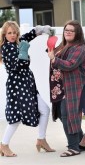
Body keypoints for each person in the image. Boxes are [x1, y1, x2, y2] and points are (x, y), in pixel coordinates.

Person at [0, 21, 55, 157]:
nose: (13, 35)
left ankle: (41, 139)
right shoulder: (6, 48)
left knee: (44, 109)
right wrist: (23, 52)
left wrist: (43, 30)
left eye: (15, 32)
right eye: (9, 33)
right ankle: (4, 144)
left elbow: (31, 34)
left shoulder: (19, 41)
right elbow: (17, 66)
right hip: (17, 85)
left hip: (27, 83)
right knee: (16, 116)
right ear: (4, 35)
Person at [47, 20, 85, 157]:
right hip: (59, 86)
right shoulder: (64, 45)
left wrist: (54, 59)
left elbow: (70, 64)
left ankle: (74, 147)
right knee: (60, 113)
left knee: (69, 115)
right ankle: (80, 140)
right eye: (66, 30)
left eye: (72, 30)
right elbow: (52, 51)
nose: (68, 32)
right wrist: (50, 44)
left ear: (77, 33)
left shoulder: (80, 48)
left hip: (73, 86)